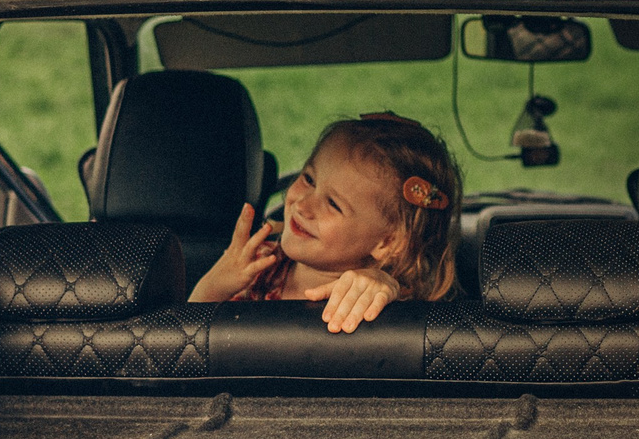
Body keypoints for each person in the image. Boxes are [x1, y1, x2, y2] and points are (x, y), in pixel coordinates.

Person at [190, 113, 461, 333]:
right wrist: (215, 285)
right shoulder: (257, 266)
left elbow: (387, 302)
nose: (303, 205)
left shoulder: (385, 298)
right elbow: (187, 346)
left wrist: (382, 286)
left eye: (333, 204)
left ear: (389, 242)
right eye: (308, 179)